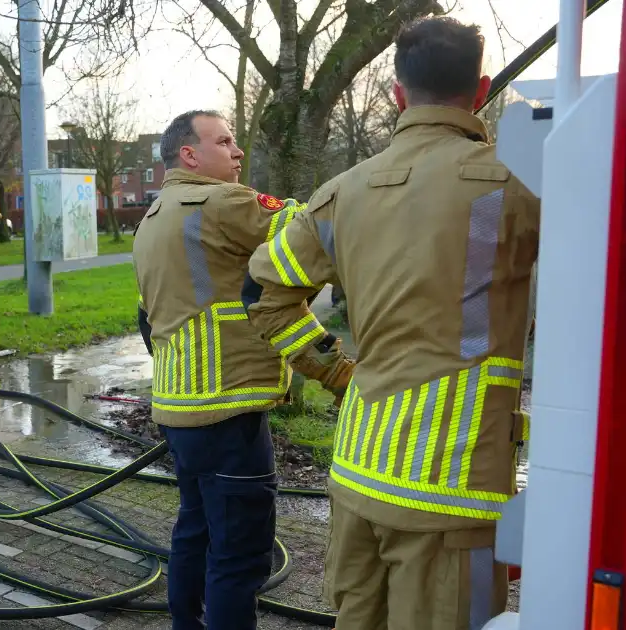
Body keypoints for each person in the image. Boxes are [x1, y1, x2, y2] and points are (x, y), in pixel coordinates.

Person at [243, 16, 537, 630]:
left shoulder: (342, 192)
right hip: (451, 488)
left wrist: (335, 370)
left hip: (358, 473)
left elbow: (263, 292)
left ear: (397, 95)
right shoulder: (517, 186)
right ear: (481, 90)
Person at [132, 109, 325, 630]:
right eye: (225, 142)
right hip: (229, 407)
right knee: (240, 556)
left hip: (179, 410)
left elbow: (148, 319)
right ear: (189, 154)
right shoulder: (221, 201)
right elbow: (312, 227)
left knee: (195, 529)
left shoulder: (152, 218)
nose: (238, 152)